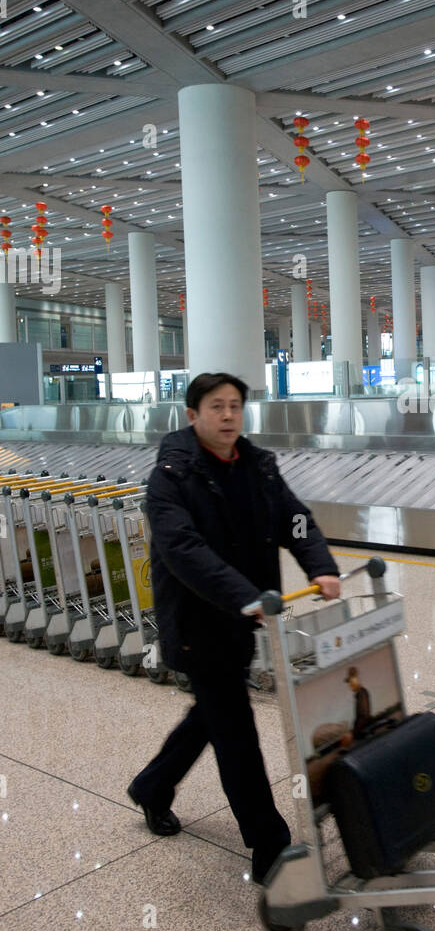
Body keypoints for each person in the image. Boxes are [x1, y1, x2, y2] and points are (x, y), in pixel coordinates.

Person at [127, 371, 341, 885]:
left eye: (235, 406)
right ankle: (269, 845)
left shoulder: (258, 467)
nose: (228, 416)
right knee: (236, 732)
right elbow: (183, 550)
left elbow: (295, 520)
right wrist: (243, 596)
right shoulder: (171, 478)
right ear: (192, 415)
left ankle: (153, 786)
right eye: (216, 406)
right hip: (198, 622)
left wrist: (321, 565)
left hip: (246, 618)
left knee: (214, 715)